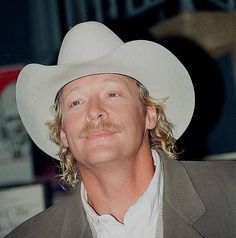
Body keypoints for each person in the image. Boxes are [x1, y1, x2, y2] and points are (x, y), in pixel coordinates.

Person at [6, 21, 236, 238]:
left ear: (149, 113)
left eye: (112, 94)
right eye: (76, 102)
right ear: (62, 133)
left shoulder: (229, 194)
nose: (94, 111)